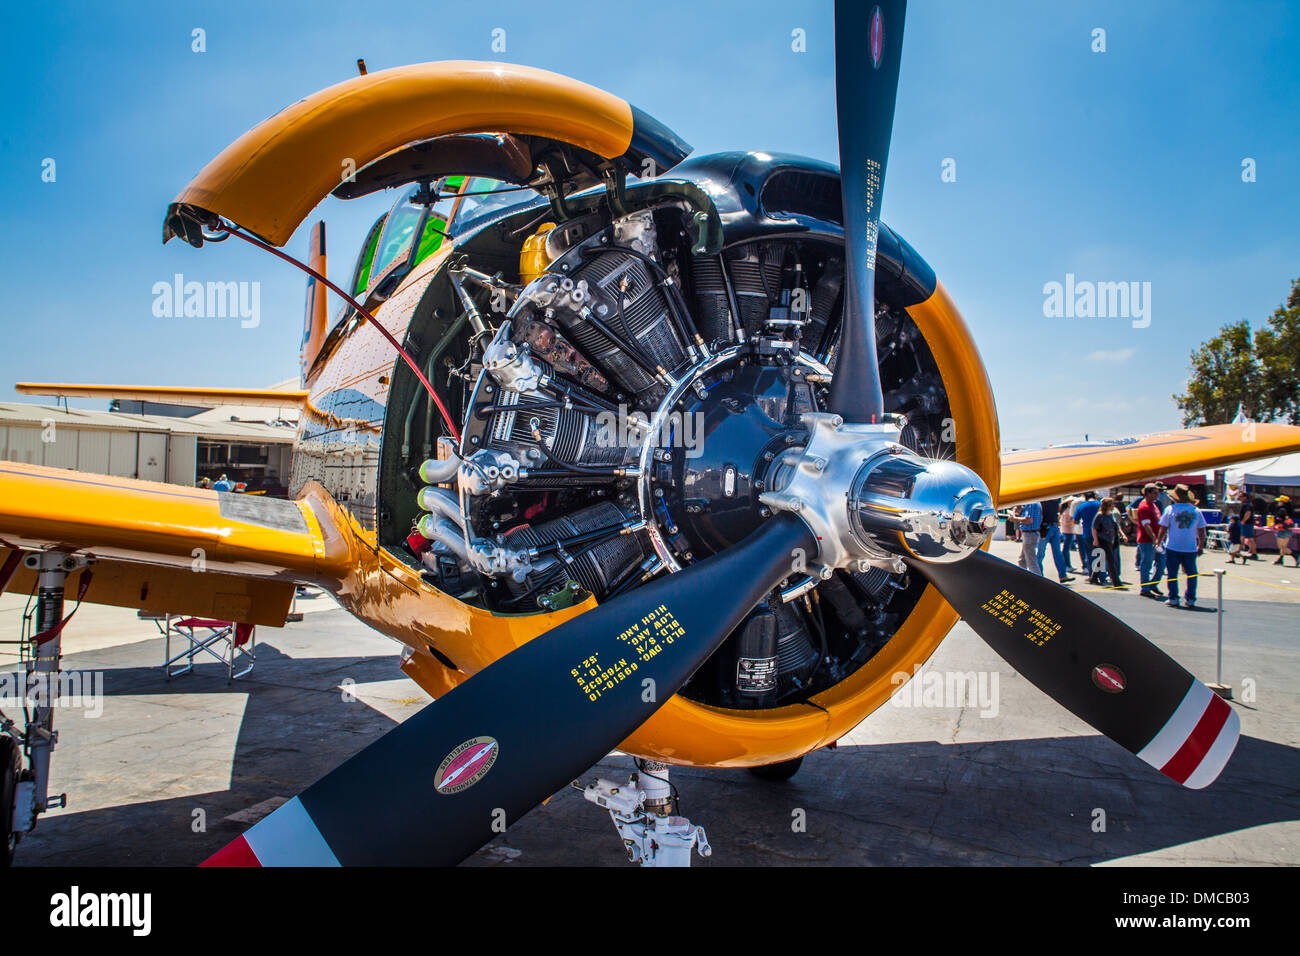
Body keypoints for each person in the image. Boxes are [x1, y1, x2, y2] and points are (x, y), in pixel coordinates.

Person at [1158, 484, 1208, 609]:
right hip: (1190, 547)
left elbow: (1163, 527)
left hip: (1173, 545)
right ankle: (1190, 599)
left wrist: (1158, 541)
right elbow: (1202, 531)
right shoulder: (1195, 511)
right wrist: (1201, 545)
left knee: (1172, 573)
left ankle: (1173, 597)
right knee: (1191, 574)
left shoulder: (1170, 509)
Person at [1133, 483, 1165, 598]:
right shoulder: (1144, 506)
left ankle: (1152, 584)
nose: (1157, 495)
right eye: (1155, 493)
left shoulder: (1154, 505)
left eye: (1158, 493)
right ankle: (1145, 588)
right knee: (1146, 564)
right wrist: (1155, 539)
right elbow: (1146, 525)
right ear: (1147, 493)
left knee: (1161, 562)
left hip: (1157, 540)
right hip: (1147, 540)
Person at [1034, 498, 1074, 583]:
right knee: (1040, 554)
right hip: (1045, 526)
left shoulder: (1055, 499)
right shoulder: (1043, 500)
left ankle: (1062, 575)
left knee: (1057, 553)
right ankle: (1039, 576)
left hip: (1053, 526)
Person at [1092, 497, 1127, 587]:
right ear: (1107, 505)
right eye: (1112, 504)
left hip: (1111, 539)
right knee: (1111, 561)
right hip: (1103, 539)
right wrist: (1095, 540)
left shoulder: (1110, 514)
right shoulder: (1100, 515)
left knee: (1102, 559)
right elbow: (1094, 528)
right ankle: (1116, 582)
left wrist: (1122, 534)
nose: (1113, 506)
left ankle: (1094, 577)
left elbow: (1116, 526)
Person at [1073, 492, 1102, 582]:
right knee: (1100, 555)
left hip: (1087, 533)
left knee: (1090, 555)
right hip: (1100, 533)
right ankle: (1102, 575)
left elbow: (1075, 521)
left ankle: (1091, 575)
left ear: (1085, 497)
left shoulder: (1082, 506)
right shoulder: (1100, 504)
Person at [1014, 500, 1043, 574]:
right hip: (1031, 533)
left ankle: (1037, 581)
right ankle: (1021, 578)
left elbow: (1028, 520)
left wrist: (1015, 518)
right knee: (1022, 560)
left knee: (1031, 562)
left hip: (1029, 534)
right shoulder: (1036, 503)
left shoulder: (1031, 503)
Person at [1058, 497, 1079, 572]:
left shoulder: (1066, 510)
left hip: (1067, 531)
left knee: (1066, 548)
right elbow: (1066, 522)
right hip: (1068, 531)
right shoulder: (1067, 511)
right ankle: (1066, 565)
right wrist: (1073, 521)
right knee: (1066, 549)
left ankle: (1068, 564)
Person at [1272, 495, 1294, 566]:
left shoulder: (1281, 510)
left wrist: (1275, 525)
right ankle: (1281, 559)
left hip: (1282, 529)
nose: (1278, 502)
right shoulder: (1289, 509)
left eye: (1279, 501)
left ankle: (1295, 556)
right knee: (1283, 546)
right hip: (1288, 529)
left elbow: (1278, 519)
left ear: (1282, 502)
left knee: (1281, 547)